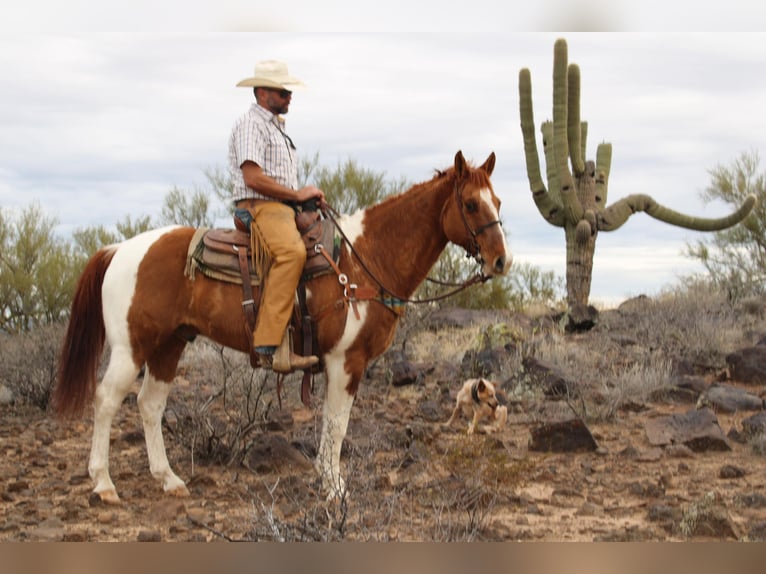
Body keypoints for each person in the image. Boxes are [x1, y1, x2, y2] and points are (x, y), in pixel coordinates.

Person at [229, 60, 324, 373]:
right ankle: (270, 347)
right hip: (259, 206)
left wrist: (305, 200)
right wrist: (296, 195)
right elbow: (253, 177)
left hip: (281, 207)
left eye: (289, 91)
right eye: (282, 91)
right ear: (261, 92)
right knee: (291, 253)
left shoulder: (276, 129)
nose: (289, 96)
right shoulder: (250, 124)